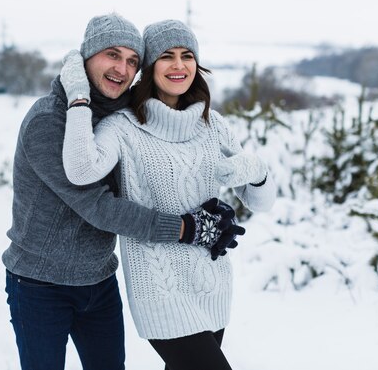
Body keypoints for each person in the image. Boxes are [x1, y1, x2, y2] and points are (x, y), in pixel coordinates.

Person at [2, 14, 243, 370]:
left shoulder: (124, 114)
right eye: (111, 55)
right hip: (39, 284)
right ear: (86, 58)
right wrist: (187, 228)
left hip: (99, 280)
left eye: (132, 61)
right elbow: (98, 206)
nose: (122, 68)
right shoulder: (48, 120)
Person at [61, 19, 277, 370]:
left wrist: (257, 171)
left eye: (187, 55)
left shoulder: (214, 124)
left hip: (212, 283)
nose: (179, 65)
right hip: (159, 290)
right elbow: (81, 170)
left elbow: (262, 203)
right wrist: (78, 96)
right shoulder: (123, 127)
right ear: (149, 68)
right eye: (167, 56)